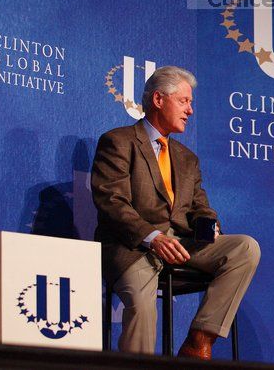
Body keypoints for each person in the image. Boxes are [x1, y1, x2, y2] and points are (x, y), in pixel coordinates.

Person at [92, 66, 260, 359]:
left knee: (245, 248)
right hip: (132, 246)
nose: (190, 110)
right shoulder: (118, 142)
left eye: (190, 103)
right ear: (158, 100)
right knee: (143, 308)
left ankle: (198, 340)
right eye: (184, 101)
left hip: (181, 244)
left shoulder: (186, 158)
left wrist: (209, 225)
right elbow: (112, 201)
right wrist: (153, 237)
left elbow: (200, 207)